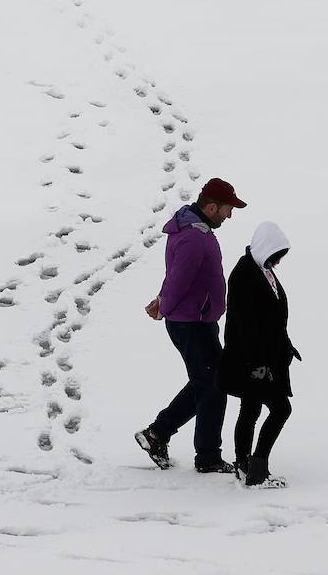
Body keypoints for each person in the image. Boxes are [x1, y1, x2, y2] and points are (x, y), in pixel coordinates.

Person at [134, 177, 246, 474]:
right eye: (227, 209)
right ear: (211, 207)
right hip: (190, 324)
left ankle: (157, 434)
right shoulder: (194, 237)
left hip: (197, 321)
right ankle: (207, 457)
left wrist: (163, 299)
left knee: (207, 383)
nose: (229, 215)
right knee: (213, 386)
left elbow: (176, 275)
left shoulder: (197, 230)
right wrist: (165, 305)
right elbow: (179, 278)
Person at [218, 220, 301, 488]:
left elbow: (272, 317)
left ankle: (244, 464)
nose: (278, 262)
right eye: (277, 255)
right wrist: (257, 363)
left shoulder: (260, 269)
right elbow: (243, 325)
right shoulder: (244, 274)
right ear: (266, 249)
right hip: (254, 362)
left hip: (263, 359)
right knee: (280, 409)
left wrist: (286, 345)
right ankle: (256, 469)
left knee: (251, 409)